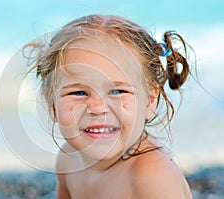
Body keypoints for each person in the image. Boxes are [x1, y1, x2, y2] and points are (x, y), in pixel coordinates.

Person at [25, 14, 193, 199]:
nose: (97, 108)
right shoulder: (68, 159)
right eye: (79, 93)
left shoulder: (153, 175)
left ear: (149, 101)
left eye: (117, 91)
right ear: (52, 103)